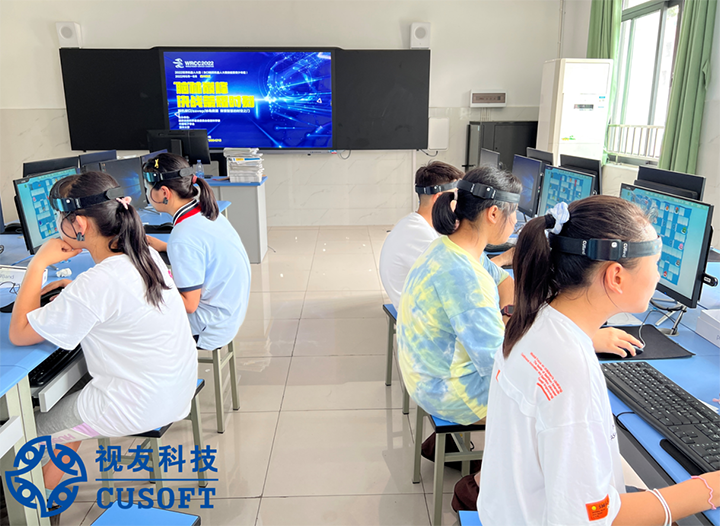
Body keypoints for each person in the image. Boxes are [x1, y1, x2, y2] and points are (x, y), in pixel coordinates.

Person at [397, 168, 646, 511]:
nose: (516, 222)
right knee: (541, 402)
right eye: (513, 213)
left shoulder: (454, 248)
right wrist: (584, 338)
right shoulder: (463, 277)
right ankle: (480, 485)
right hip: (445, 390)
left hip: (427, 373)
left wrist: (509, 312)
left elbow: (503, 281)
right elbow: (502, 364)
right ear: (493, 213)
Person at [478, 196, 720, 525]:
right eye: (656, 263)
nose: (659, 274)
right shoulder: (570, 373)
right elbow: (592, 518)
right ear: (616, 276)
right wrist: (708, 489)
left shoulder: (535, 319)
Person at [8, 171, 198, 496]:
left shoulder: (97, 284)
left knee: (26, 432)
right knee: (71, 402)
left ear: (79, 224)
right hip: (174, 390)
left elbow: (20, 333)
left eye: (59, 218)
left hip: (138, 405)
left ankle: (29, 504)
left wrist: (38, 264)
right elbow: (109, 298)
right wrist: (71, 294)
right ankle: (49, 487)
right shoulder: (144, 255)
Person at [143, 153, 251, 351]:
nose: (148, 194)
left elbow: (189, 305)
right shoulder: (207, 213)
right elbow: (204, 253)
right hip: (229, 315)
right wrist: (166, 247)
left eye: (149, 189)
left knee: (134, 318)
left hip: (209, 329)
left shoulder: (183, 235)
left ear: (164, 192)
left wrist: (148, 285)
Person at [380, 161, 463, 310]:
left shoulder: (418, 223)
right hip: (418, 314)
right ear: (438, 198)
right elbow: (459, 278)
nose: (458, 203)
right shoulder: (418, 233)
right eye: (456, 196)